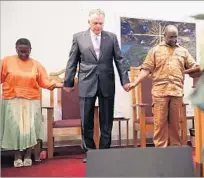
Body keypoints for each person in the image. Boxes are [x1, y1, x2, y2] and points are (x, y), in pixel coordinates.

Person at [63, 9, 130, 163]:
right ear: (89, 22)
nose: (98, 26)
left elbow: (119, 60)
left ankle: (105, 151)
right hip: (87, 81)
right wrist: (68, 82)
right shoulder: (79, 37)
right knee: (86, 119)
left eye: (101, 23)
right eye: (95, 23)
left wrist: (125, 80)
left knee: (106, 119)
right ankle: (90, 152)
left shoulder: (111, 38)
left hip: (107, 81)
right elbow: (72, 61)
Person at [128, 25, 198, 148]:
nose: (174, 39)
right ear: (164, 36)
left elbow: (194, 67)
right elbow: (146, 70)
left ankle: (175, 150)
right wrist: (135, 83)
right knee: (160, 125)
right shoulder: (155, 50)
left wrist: (192, 70)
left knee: (175, 125)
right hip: (160, 94)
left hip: (176, 93)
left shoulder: (183, 51)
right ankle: (161, 152)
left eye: (176, 37)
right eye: (171, 37)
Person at [0, 38, 61, 167]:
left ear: (30, 50)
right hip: (12, 100)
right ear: (16, 49)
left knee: (30, 129)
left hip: (32, 100)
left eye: (26, 52)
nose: (23, 54)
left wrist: (63, 84)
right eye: (21, 51)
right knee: (15, 129)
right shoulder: (6, 61)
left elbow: (46, 81)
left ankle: (28, 154)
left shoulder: (36, 64)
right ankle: (17, 155)